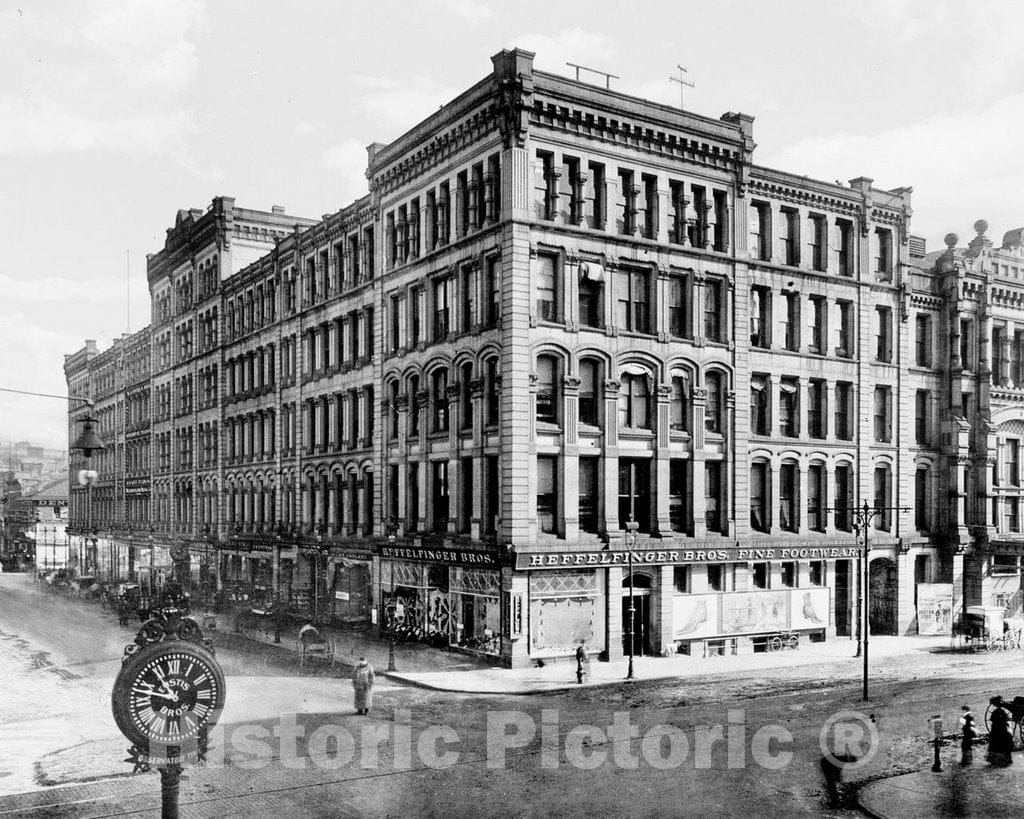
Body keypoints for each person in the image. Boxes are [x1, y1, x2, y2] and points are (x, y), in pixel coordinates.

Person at [987, 696, 1014, 767]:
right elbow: (1005, 720)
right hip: (1002, 730)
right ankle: (1004, 760)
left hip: (995, 730)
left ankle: (995, 760)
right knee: (1006, 741)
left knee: (995, 743)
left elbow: (992, 721)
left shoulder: (995, 712)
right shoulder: (1002, 711)